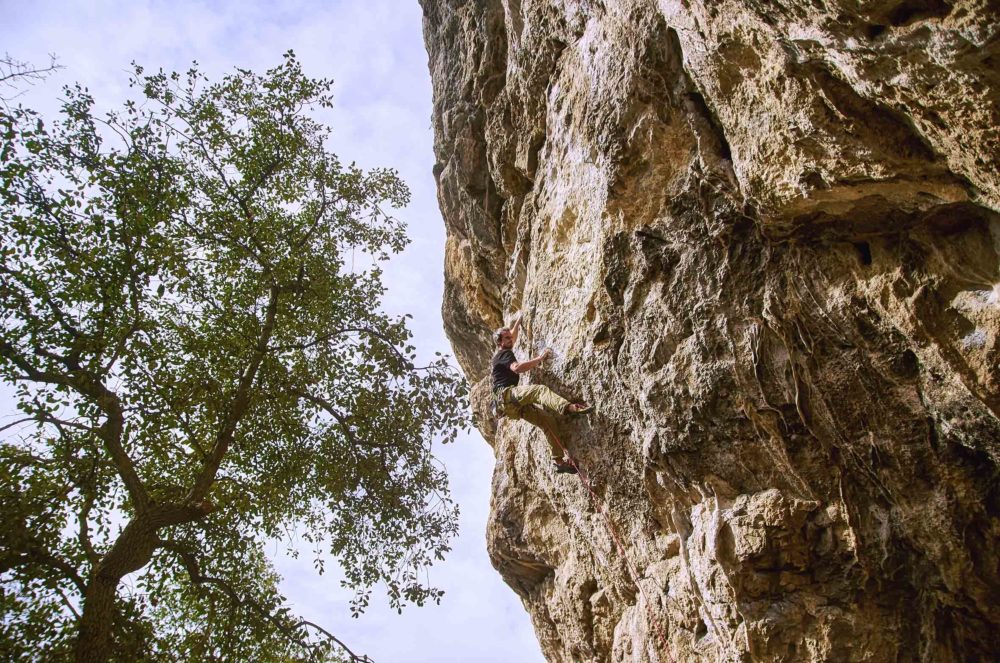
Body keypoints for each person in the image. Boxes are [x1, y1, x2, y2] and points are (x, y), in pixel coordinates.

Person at [491, 315, 592, 474]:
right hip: (508, 395)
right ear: (499, 343)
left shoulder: (502, 351)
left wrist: (518, 321)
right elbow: (517, 368)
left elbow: (513, 335)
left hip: (509, 408)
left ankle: (559, 462)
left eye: (510, 337)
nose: (511, 340)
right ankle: (569, 408)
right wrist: (540, 358)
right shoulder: (505, 354)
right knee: (539, 390)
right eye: (507, 338)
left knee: (548, 422)